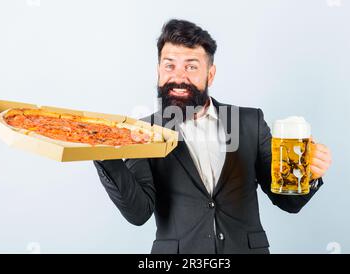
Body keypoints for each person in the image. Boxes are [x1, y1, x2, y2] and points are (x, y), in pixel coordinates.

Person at [93, 19, 332, 254]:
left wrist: (310, 175)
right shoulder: (144, 131)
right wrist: (103, 153)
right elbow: (138, 212)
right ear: (158, 71)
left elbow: (288, 202)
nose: (179, 77)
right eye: (169, 65)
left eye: (191, 66)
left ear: (211, 74)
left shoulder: (249, 122)